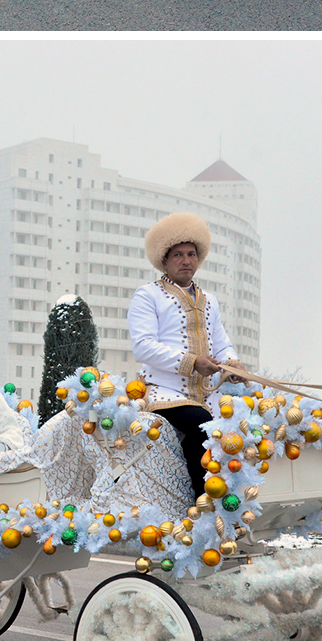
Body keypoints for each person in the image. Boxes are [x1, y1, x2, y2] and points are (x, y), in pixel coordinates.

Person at [127, 212, 243, 497]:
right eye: (178, 254)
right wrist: (192, 363)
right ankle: (202, 503)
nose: (186, 260)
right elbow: (143, 346)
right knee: (203, 428)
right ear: (164, 261)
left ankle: (242, 502)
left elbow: (221, 342)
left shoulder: (209, 300)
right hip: (165, 392)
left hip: (207, 393)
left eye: (191, 254)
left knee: (242, 425)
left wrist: (232, 362)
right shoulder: (147, 295)